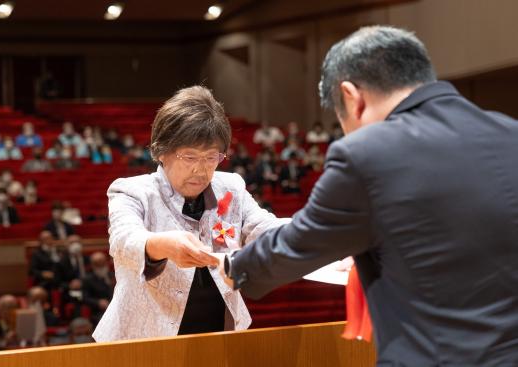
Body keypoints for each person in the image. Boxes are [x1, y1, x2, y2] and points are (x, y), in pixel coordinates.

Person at [221, 26, 518, 366]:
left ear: (352, 97)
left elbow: (297, 245)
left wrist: (234, 267)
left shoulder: (366, 153)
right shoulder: (511, 133)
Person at [92, 85, 289, 342]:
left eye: (211, 157)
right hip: (142, 341)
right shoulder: (131, 191)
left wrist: (312, 232)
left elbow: (264, 228)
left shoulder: (231, 188)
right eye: (189, 157)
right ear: (161, 151)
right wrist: (163, 244)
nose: (201, 169)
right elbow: (124, 240)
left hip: (220, 334)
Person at [82, 252, 114, 326]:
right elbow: (85, 298)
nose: (101, 266)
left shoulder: (113, 275)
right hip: (99, 312)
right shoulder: (88, 280)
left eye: (102, 263)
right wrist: (98, 302)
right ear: (93, 265)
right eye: (97, 264)